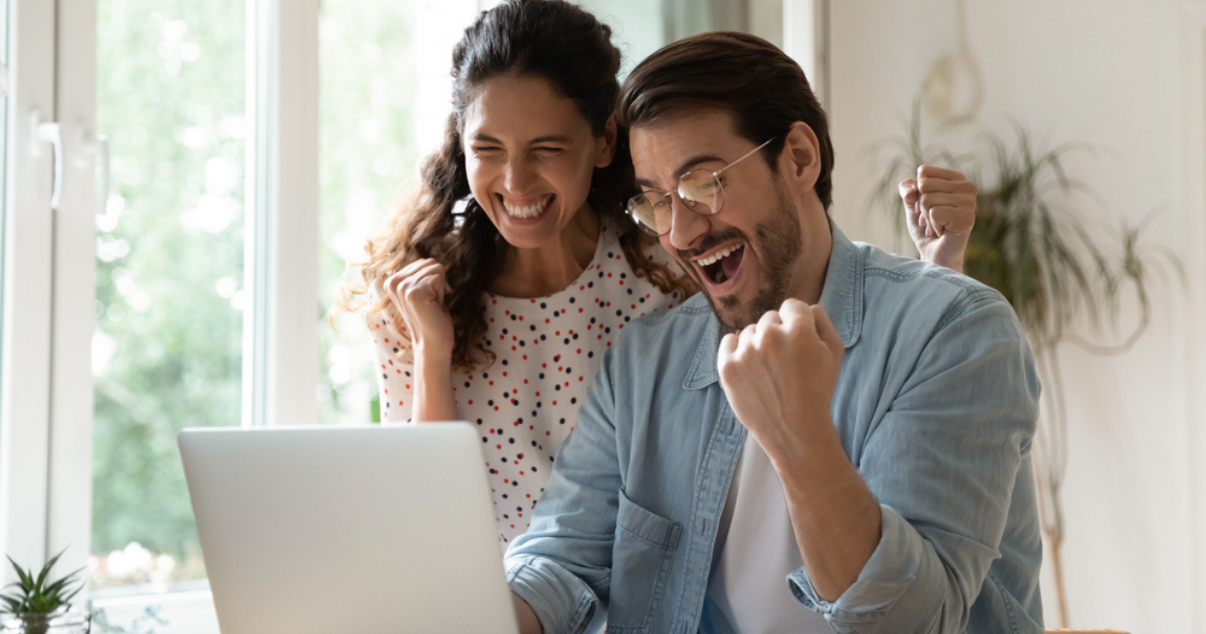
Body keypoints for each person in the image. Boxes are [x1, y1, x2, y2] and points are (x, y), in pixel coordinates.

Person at [342, 0, 973, 546]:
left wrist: (939, 274)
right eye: (487, 150)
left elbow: (813, 381)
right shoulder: (419, 295)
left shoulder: (663, 270)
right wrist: (432, 356)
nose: (515, 183)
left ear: (604, 143)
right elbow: (426, 515)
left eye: (548, 150)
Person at [504, 31, 1042, 634]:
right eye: (656, 201)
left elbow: (911, 620)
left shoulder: (951, 332)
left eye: (703, 185)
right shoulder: (643, 363)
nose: (679, 232)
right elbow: (559, 560)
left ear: (799, 159)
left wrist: (798, 434)